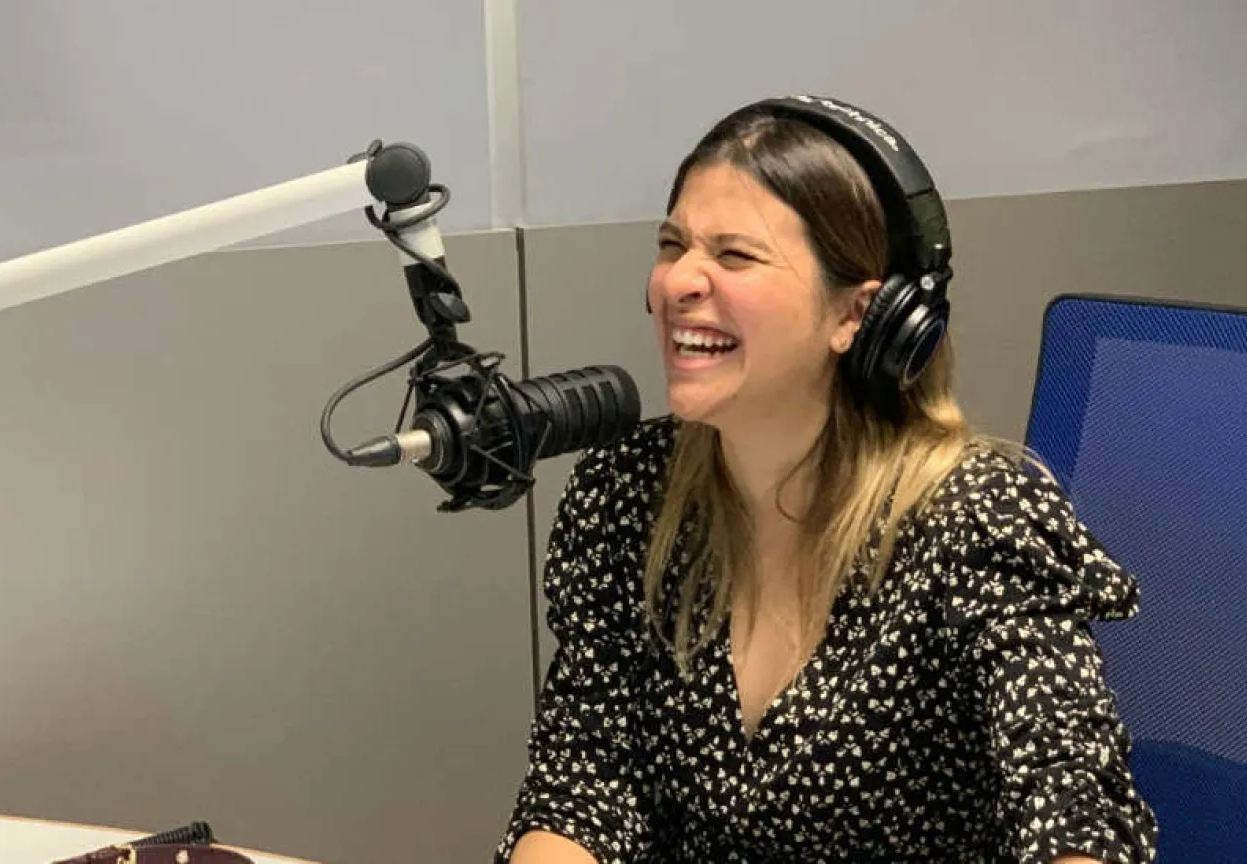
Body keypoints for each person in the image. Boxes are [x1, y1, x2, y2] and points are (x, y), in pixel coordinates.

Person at [494, 94, 1159, 863]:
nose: (678, 282)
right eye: (672, 245)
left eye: (734, 256)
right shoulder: (627, 492)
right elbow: (583, 787)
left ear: (858, 316)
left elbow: (1075, 810)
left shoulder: (978, 517)